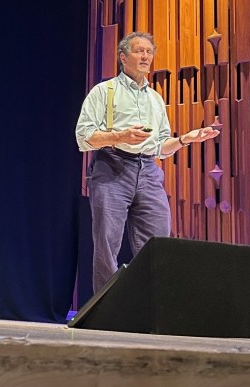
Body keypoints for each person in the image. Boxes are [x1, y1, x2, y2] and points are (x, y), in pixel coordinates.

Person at [75, 32, 220, 293]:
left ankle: (148, 304)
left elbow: (160, 147)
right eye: (139, 51)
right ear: (123, 57)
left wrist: (185, 139)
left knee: (157, 239)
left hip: (148, 171)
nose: (145, 56)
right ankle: (106, 308)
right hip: (112, 166)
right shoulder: (104, 92)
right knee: (107, 242)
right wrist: (119, 135)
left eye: (149, 52)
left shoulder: (154, 98)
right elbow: (83, 138)